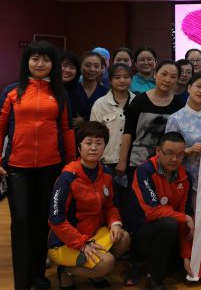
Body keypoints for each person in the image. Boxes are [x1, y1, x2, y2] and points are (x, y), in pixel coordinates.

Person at [0, 41, 76, 290]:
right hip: (18, 169)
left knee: (42, 222)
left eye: (46, 59)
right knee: (21, 221)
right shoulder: (12, 92)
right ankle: (22, 282)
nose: (40, 63)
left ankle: (39, 276)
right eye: (35, 58)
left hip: (51, 167)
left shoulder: (60, 93)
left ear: (53, 64)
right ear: (26, 62)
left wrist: (71, 165)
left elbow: (67, 130)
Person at [48, 122, 131, 289]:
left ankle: (91, 268)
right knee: (107, 262)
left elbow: (110, 206)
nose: (93, 148)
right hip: (65, 242)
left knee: (124, 238)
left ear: (104, 147)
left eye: (99, 143)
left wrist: (115, 224)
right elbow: (56, 220)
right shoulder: (67, 178)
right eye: (88, 143)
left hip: (92, 235)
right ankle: (65, 270)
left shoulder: (106, 173)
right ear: (79, 147)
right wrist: (81, 244)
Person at [128, 132, 194, 290]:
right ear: (158, 151)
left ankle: (172, 263)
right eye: (169, 153)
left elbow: (184, 216)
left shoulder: (185, 176)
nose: (174, 159)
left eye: (180, 155)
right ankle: (153, 278)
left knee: (181, 225)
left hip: (169, 233)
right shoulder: (144, 171)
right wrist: (184, 217)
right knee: (169, 223)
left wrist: (186, 255)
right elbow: (152, 211)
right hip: (141, 233)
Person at [117, 60, 184, 193]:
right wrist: (122, 161)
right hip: (138, 161)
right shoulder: (139, 101)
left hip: (167, 165)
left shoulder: (179, 104)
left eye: (173, 76)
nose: (167, 79)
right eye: (164, 74)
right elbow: (128, 132)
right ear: (155, 74)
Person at [166, 73, 201, 195]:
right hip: (185, 175)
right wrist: (188, 150)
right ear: (189, 88)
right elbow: (168, 150)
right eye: (198, 86)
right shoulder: (175, 118)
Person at [90, 63, 135, 169]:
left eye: (126, 77)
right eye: (117, 77)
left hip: (132, 160)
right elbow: (93, 133)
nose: (122, 80)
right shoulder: (100, 104)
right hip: (107, 159)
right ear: (110, 80)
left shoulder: (137, 101)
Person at [71, 50, 109, 124]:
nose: (92, 69)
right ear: (80, 66)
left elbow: (107, 115)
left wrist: (85, 120)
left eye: (96, 66)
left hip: (98, 130)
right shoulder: (70, 89)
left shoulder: (106, 92)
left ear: (101, 68)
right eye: (87, 65)